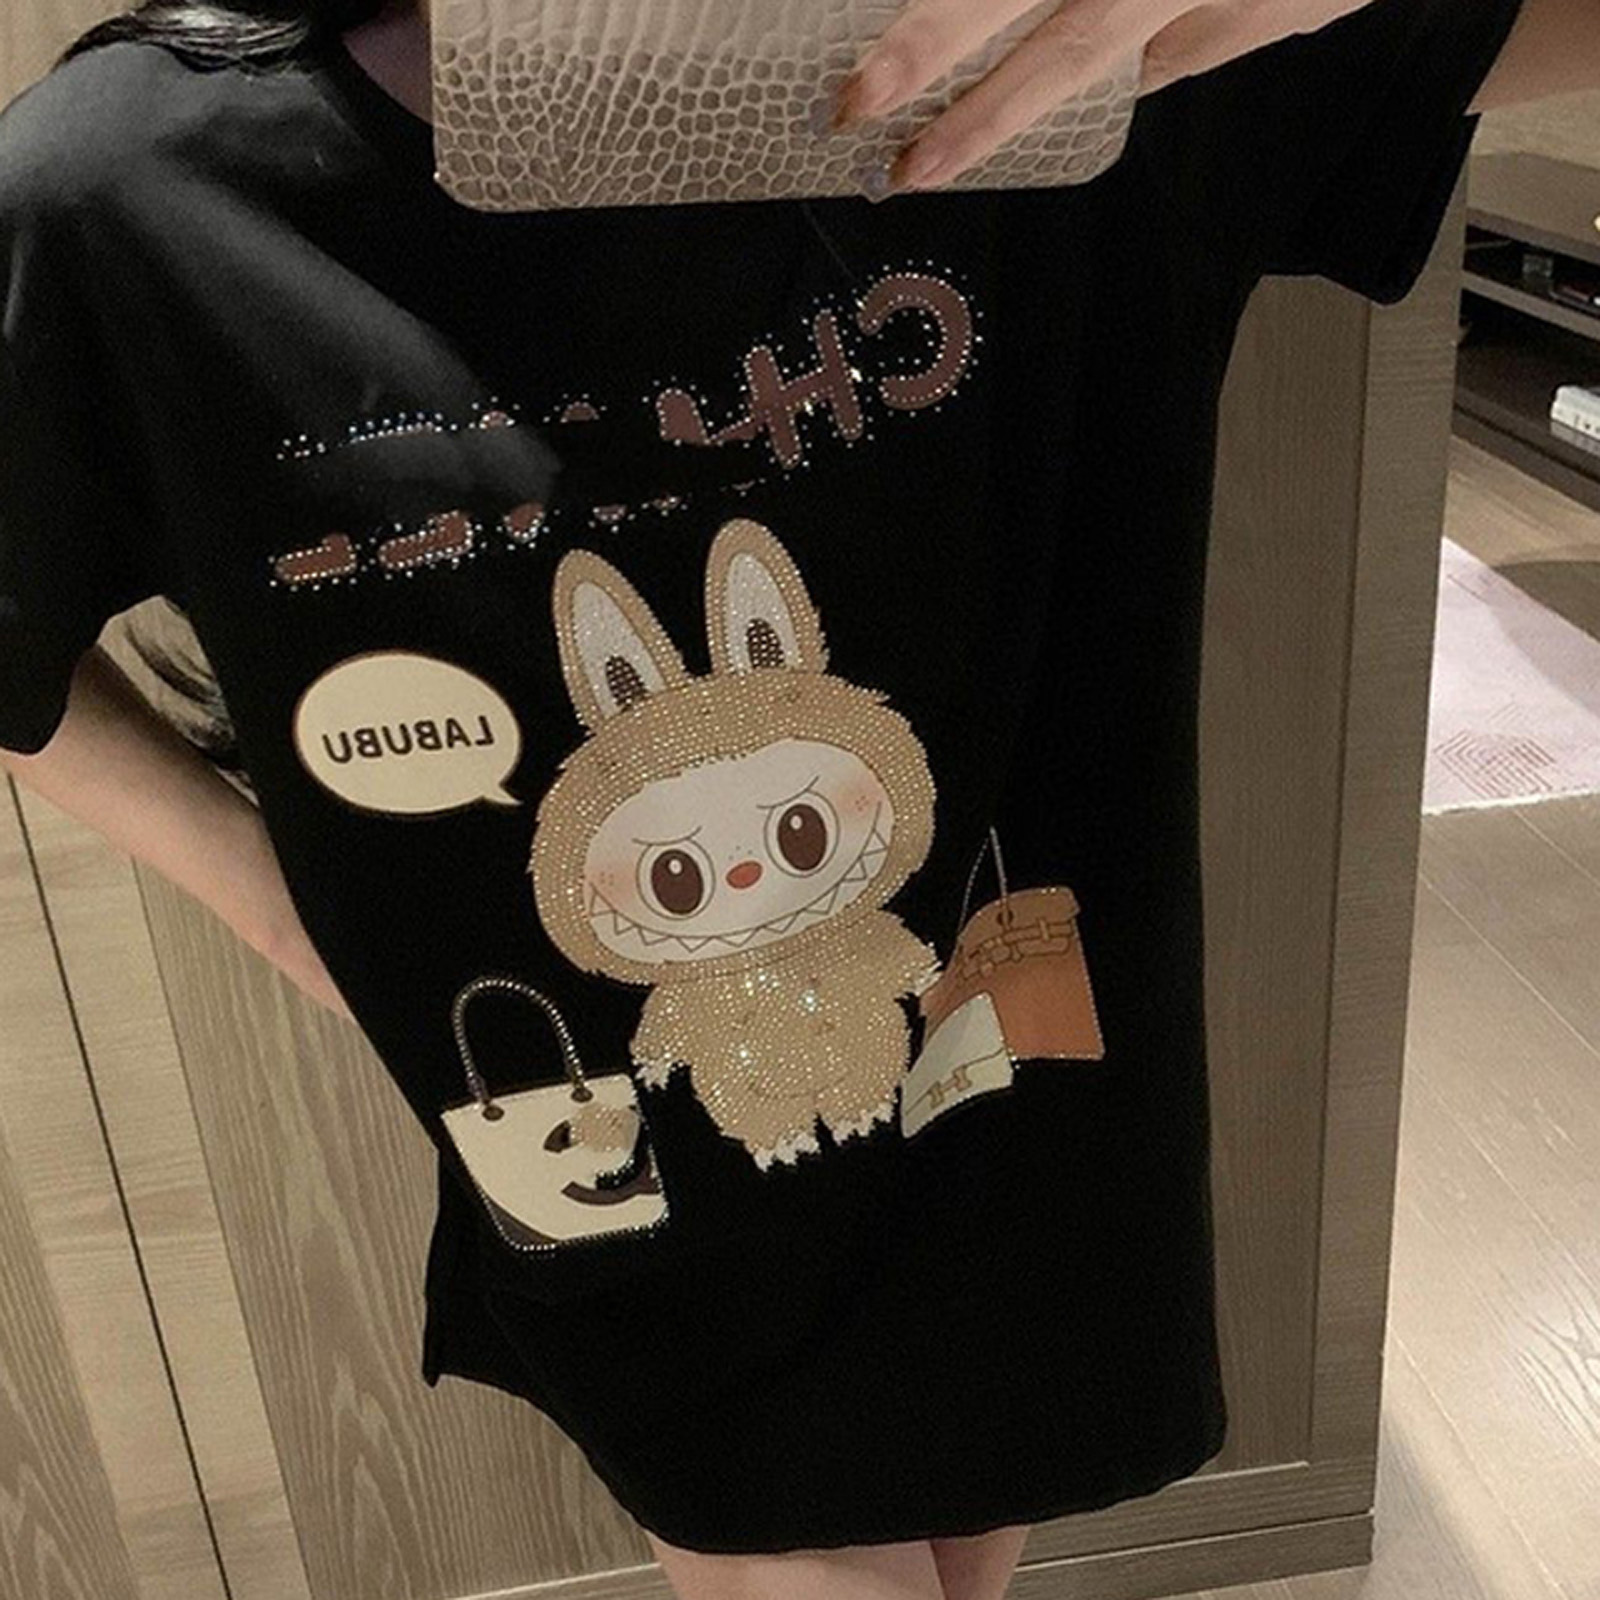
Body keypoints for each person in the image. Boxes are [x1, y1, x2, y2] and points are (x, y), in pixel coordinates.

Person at [0, 1, 1587, 1596]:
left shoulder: (1095, 53)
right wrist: (279, 909)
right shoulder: (138, 194)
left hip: (1016, 1117)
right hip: (655, 1194)